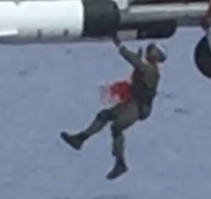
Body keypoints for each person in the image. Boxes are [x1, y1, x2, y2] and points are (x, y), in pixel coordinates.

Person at [61, 40, 165, 179]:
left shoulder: (150, 71)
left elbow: (136, 63)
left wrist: (120, 47)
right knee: (104, 116)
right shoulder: (148, 68)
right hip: (132, 102)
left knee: (117, 127)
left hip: (137, 107)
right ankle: (80, 139)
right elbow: (138, 64)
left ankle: (120, 163)